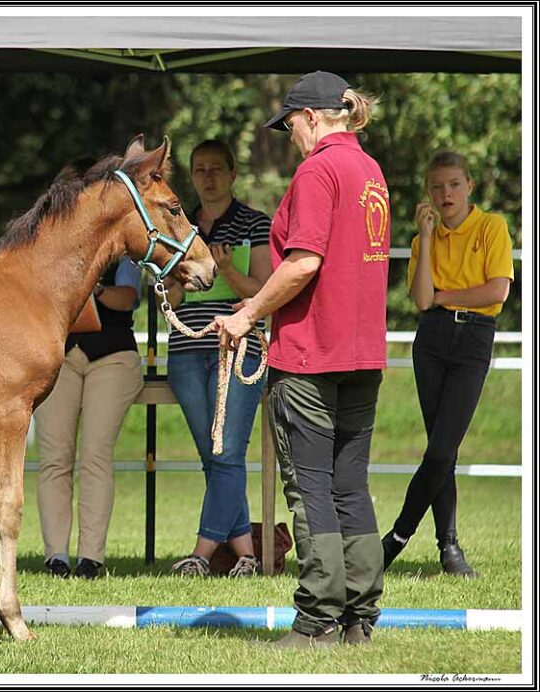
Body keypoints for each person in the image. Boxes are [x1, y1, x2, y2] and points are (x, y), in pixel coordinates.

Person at [215, 71, 390, 647]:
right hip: (362, 353)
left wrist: (246, 316)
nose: (289, 134)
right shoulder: (370, 170)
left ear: (312, 117)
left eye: (290, 123)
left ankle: (315, 621)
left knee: (311, 487)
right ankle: (359, 618)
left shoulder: (319, 170)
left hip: (312, 355)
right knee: (350, 486)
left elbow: (303, 262)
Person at [381, 151, 514, 578]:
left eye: (454, 184)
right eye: (437, 187)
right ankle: (448, 547)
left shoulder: (492, 227)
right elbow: (421, 301)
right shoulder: (425, 240)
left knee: (440, 450)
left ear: (469, 186)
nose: (446, 194)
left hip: (474, 338)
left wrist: (444, 295)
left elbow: (497, 292)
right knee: (444, 451)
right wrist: (423, 234)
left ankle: (396, 538)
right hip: (432, 340)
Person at [162, 140, 272, 579]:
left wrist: (225, 270)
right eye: (199, 170)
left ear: (232, 175)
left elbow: (264, 292)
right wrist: (177, 287)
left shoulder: (256, 223)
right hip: (188, 352)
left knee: (227, 454)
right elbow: (164, 299)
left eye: (215, 169)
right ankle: (245, 554)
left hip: (239, 351)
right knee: (214, 457)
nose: (207, 177)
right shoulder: (176, 227)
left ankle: (202, 554)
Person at [35, 256, 143, 579]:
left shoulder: (125, 256)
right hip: (59, 356)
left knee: (95, 454)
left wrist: (93, 289)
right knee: (54, 457)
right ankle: (56, 556)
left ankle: (90, 558)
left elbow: (127, 299)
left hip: (113, 358)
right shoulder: (54, 249)